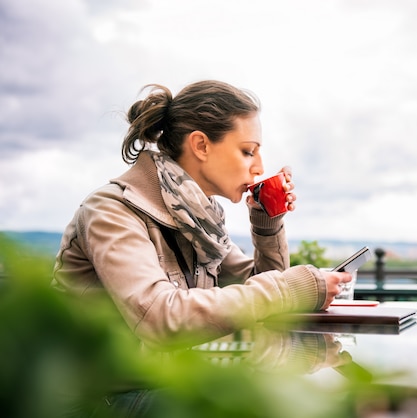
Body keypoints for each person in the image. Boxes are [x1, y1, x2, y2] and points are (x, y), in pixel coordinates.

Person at [52, 80, 352, 350]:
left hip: (162, 390)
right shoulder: (111, 211)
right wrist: (290, 288)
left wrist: (267, 224)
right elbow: (161, 319)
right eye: (248, 151)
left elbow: (263, 290)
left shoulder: (200, 223)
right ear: (201, 145)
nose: (260, 167)